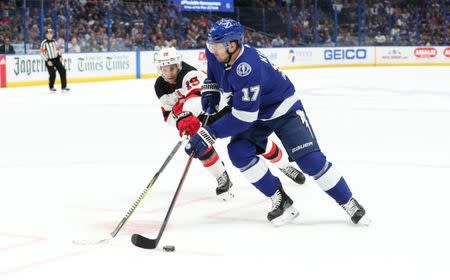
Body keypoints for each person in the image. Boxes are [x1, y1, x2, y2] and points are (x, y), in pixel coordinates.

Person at [185, 18, 369, 226]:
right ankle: (279, 199)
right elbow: (213, 73)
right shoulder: (216, 52)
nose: (212, 49)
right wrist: (210, 90)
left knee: (311, 161)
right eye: (211, 44)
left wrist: (209, 133)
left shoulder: (247, 67)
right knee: (238, 152)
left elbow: (243, 118)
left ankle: (348, 201)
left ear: (233, 45)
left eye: (217, 45)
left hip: (283, 109)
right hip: (255, 111)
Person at [154, 47, 305, 201]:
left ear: (178, 65)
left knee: (253, 140)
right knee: (198, 145)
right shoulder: (159, 86)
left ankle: (284, 165)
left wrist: (183, 112)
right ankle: (222, 176)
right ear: (159, 69)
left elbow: (197, 98)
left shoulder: (189, 74)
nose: (170, 73)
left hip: (221, 108)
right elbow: (168, 115)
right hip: (197, 117)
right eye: (165, 69)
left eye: (172, 68)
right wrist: (180, 121)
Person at [40, 28, 70, 93]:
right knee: (52, 74)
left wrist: (60, 56)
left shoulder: (54, 42)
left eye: (51, 33)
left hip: (56, 59)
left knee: (63, 71)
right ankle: (51, 87)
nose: (49, 35)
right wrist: (47, 60)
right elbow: (42, 53)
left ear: (53, 34)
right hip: (49, 60)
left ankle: (64, 87)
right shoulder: (44, 43)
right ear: (46, 35)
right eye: (48, 34)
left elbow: (58, 50)